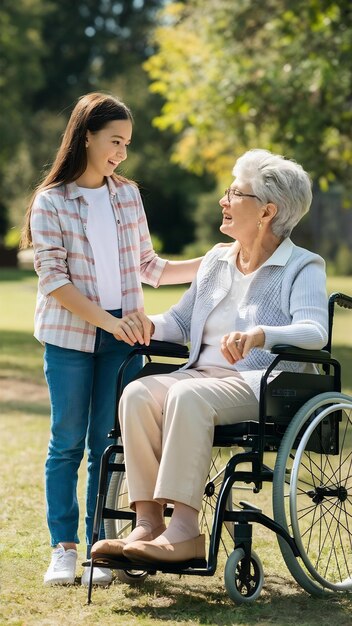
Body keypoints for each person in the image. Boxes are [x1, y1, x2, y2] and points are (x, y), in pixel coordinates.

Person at [91, 148, 328, 565]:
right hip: (201, 374)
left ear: (267, 211)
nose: (224, 200)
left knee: (187, 398)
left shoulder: (302, 266)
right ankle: (147, 524)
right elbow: (181, 322)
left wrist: (261, 335)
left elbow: (314, 331)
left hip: (259, 381)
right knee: (138, 393)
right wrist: (146, 324)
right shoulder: (217, 260)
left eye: (234, 193)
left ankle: (184, 531)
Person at [20, 92, 203, 586]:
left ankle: (100, 546)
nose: (121, 152)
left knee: (107, 443)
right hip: (71, 336)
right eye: (114, 141)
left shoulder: (127, 195)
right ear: (86, 137)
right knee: (67, 444)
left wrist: (214, 260)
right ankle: (63, 549)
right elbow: (54, 281)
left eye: (127, 143)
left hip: (123, 338)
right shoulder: (50, 202)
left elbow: (150, 267)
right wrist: (110, 321)